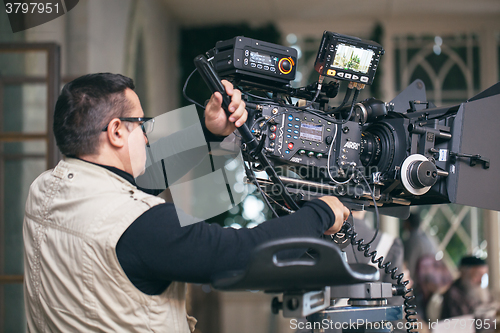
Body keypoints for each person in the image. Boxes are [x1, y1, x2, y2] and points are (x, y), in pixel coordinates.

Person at [23, 73, 350, 332]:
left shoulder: (45, 190)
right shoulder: (140, 225)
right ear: (117, 132)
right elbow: (241, 255)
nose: (148, 136)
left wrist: (209, 133)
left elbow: (135, 180)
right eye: (142, 123)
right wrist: (321, 213)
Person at [401, 213, 438, 279]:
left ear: (408, 223)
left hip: (417, 281)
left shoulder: (412, 241)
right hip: (429, 279)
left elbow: (410, 264)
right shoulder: (428, 238)